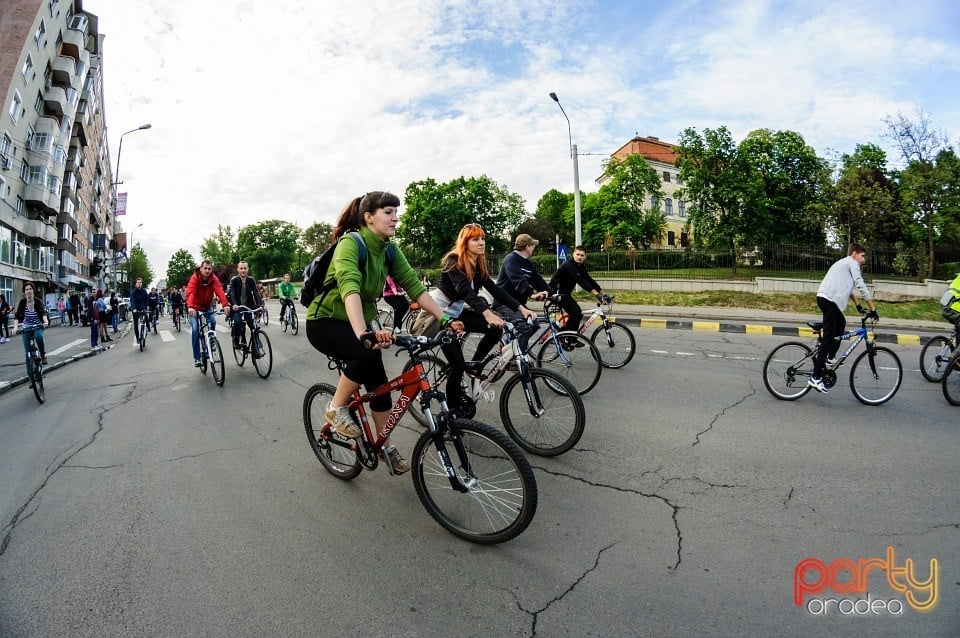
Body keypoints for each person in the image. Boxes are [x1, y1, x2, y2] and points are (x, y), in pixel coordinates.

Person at [306, 191, 455, 475]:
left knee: (379, 383)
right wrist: (364, 333)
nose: (395, 218)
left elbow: (413, 285)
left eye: (396, 212)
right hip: (325, 321)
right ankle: (336, 408)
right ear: (368, 217)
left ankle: (382, 443)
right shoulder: (351, 243)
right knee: (364, 353)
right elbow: (349, 287)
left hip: (359, 321)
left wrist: (445, 318)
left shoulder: (388, 249)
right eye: (388, 212)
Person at [436, 223, 537, 412]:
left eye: (482, 238)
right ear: (465, 242)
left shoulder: (477, 264)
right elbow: (465, 291)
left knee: (496, 328)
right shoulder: (453, 260)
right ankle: (451, 415)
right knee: (457, 367)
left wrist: (521, 308)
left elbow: (495, 290)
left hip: (457, 313)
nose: (481, 242)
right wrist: (487, 313)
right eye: (475, 239)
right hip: (439, 315)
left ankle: (474, 367)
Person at [809, 243, 878, 393]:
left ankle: (830, 357)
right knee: (828, 339)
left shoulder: (844, 263)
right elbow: (860, 284)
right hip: (829, 300)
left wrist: (858, 305)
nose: (863, 260)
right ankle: (815, 377)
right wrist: (873, 308)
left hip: (826, 299)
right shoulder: (852, 263)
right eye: (862, 256)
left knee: (841, 323)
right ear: (854, 254)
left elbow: (849, 288)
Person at [493, 233, 551, 349]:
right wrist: (532, 294)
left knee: (534, 324)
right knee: (525, 327)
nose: (534, 248)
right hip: (504, 303)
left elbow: (537, 280)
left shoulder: (526, 263)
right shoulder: (511, 260)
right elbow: (518, 280)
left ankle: (516, 351)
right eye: (533, 245)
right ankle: (514, 357)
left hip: (517, 304)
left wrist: (552, 294)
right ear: (527, 246)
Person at [550, 245, 608, 332]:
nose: (579, 257)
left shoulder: (580, 266)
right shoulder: (569, 265)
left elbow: (589, 280)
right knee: (576, 312)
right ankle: (568, 337)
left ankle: (565, 335)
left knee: (577, 314)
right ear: (573, 254)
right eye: (577, 254)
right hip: (557, 293)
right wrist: (597, 295)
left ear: (585, 257)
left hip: (565, 293)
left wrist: (604, 294)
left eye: (582, 255)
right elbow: (581, 282)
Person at [185, 260, 230, 367]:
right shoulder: (195, 278)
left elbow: (219, 290)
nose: (207, 271)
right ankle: (196, 358)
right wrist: (191, 307)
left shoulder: (213, 279)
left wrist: (225, 305)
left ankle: (211, 341)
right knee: (195, 329)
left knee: (213, 321)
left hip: (207, 306)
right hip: (194, 307)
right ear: (200, 268)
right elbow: (191, 293)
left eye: (209, 269)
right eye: (205, 268)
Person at [14, 281, 49, 379]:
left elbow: (43, 312)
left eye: (30, 289)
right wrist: (16, 327)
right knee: (28, 353)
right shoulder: (22, 302)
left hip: (38, 326)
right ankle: (31, 378)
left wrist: (45, 321)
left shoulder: (37, 301)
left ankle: (42, 355)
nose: (28, 291)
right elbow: (17, 316)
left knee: (38, 337)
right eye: (26, 289)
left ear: (33, 291)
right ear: (24, 292)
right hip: (27, 328)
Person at [226, 260, 264, 350]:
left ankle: (257, 346)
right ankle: (236, 341)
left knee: (253, 326)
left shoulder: (251, 280)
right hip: (237, 307)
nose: (243, 270)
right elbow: (232, 294)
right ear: (238, 269)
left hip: (248, 306)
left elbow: (256, 292)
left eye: (245, 268)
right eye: (241, 268)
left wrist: (261, 305)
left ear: (248, 269)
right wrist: (234, 304)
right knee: (238, 322)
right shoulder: (234, 280)